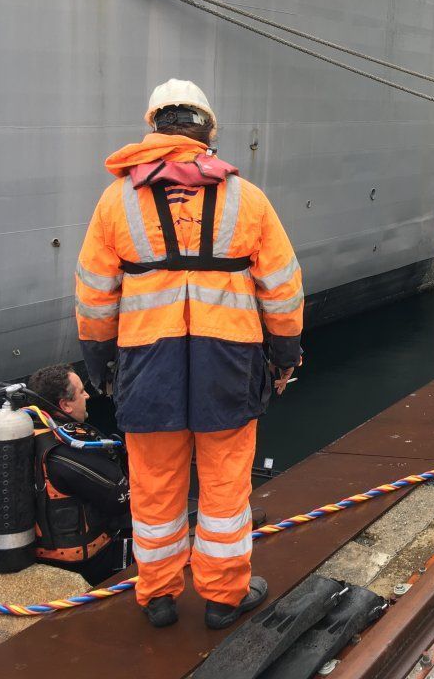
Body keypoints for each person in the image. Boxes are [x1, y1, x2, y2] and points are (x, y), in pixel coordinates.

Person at [75, 79, 303, 630]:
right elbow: (282, 287)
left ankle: (157, 594)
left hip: (147, 361)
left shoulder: (116, 201)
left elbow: (94, 291)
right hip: (229, 357)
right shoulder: (246, 198)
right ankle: (225, 596)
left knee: (154, 482)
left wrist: (99, 361)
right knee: (226, 480)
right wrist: (286, 354)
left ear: (153, 127)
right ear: (208, 132)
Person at [27, 364, 131, 584]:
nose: (87, 395)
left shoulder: (28, 437)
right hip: (87, 564)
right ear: (65, 405)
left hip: (40, 552)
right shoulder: (67, 452)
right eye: (81, 391)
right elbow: (120, 498)